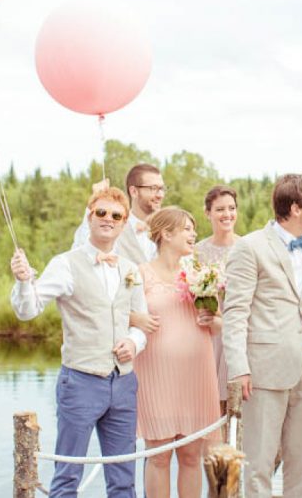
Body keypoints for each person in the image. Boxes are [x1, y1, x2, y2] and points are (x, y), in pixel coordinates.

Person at [10, 183, 148, 498]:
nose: (108, 219)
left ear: (124, 223)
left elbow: (141, 320)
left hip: (124, 384)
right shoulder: (66, 263)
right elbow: (27, 309)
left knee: (124, 478)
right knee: (67, 476)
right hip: (81, 381)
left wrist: (134, 342)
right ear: (89, 217)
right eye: (101, 212)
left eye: (116, 215)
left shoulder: (130, 269)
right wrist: (22, 282)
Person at [222, 174, 302, 498]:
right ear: (296, 208)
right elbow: (235, 311)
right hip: (264, 370)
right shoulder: (249, 247)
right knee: (259, 465)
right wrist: (239, 366)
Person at [133, 207, 220, 498]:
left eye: (193, 228)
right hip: (155, 376)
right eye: (186, 229)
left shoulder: (199, 274)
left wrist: (213, 319)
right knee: (158, 455)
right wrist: (135, 319)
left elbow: (217, 323)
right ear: (166, 234)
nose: (193, 234)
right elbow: (118, 315)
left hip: (196, 374)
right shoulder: (140, 274)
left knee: (191, 456)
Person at [194, 184, 240, 411]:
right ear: (208, 213)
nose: (227, 214)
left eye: (232, 208)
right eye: (220, 209)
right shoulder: (197, 252)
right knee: (210, 406)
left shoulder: (247, 248)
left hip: (238, 332)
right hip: (208, 335)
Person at [73, 164, 165, 265]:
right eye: (153, 188)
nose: (160, 195)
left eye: (162, 189)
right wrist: (94, 207)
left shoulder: (170, 227)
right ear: (134, 191)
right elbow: (79, 252)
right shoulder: (113, 224)